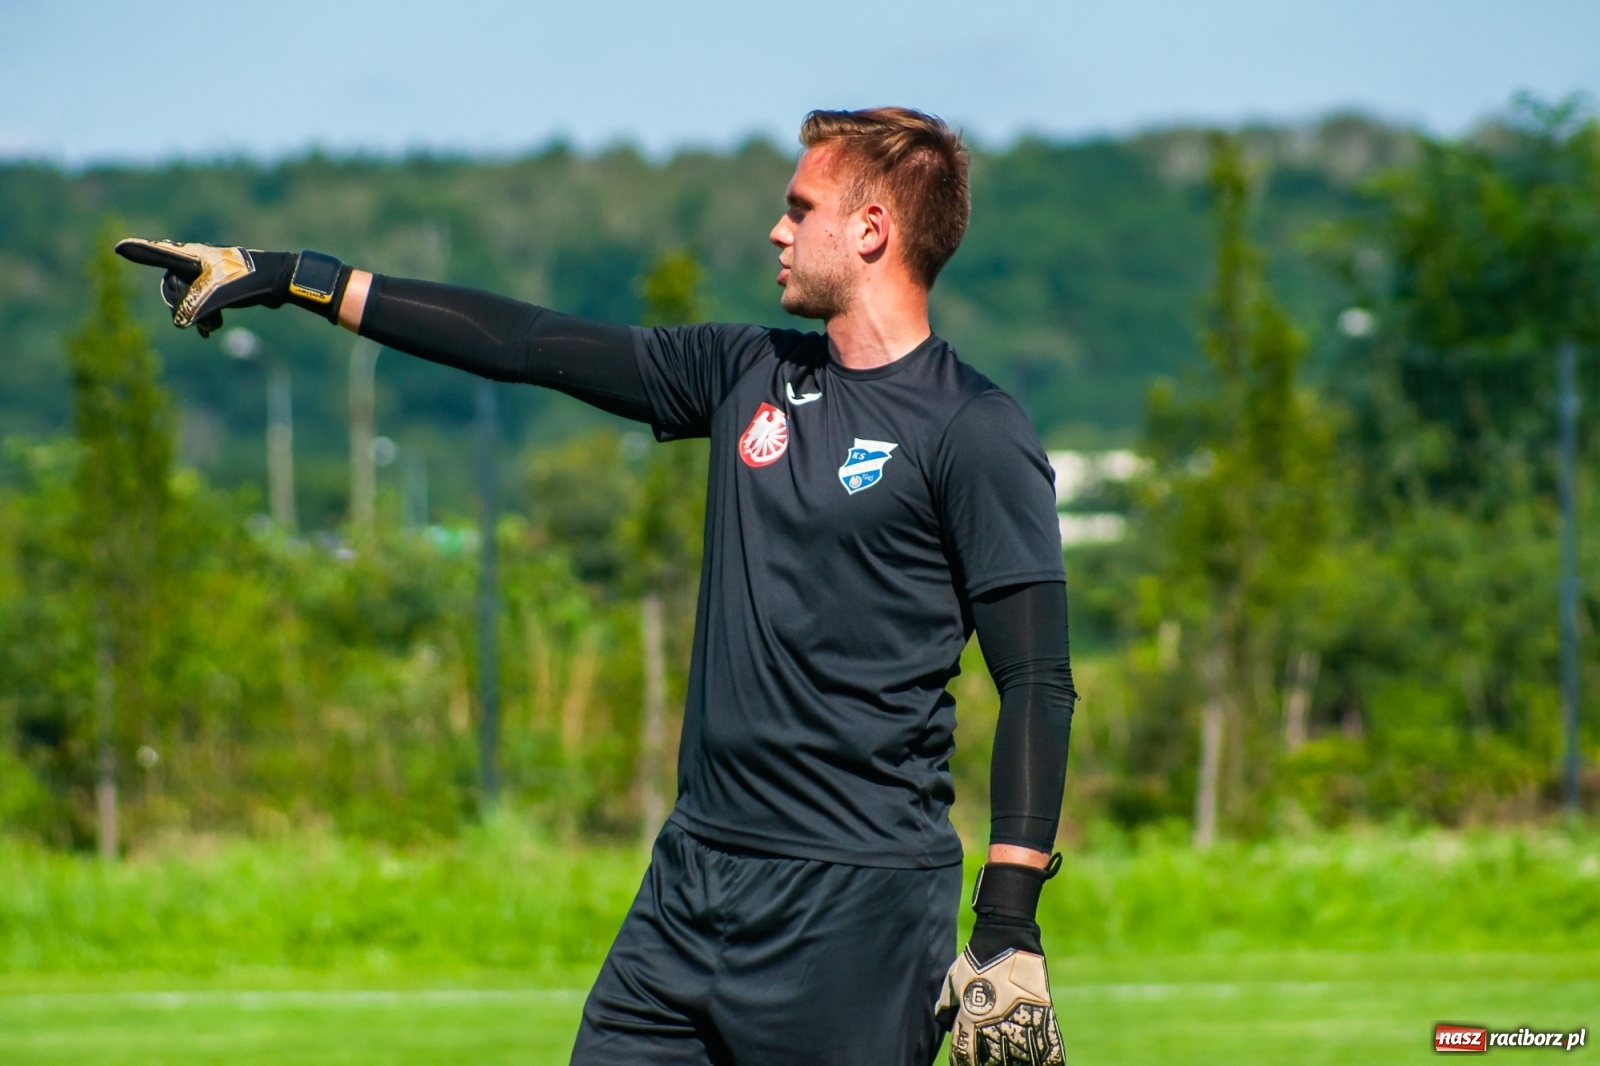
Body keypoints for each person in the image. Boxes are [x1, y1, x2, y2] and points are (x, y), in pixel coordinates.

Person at [117, 106, 1077, 1066]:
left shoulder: (974, 429)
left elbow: (1037, 681)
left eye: (800, 207)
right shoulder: (747, 371)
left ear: (871, 229)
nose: (777, 231)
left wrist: (1007, 921)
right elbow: (528, 341)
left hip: (854, 906)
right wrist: (300, 278)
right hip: (692, 884)